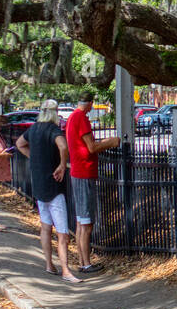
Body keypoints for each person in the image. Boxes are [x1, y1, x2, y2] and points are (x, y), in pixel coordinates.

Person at [14, 100, 80, 282]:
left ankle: (49, 264)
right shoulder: (52, 129)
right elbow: (64, 146)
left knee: (45, 227)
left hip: (39, 186)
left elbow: (20, 144)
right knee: (62, 232)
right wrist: (61, 164)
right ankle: (66, 270)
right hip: (54, 185)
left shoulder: (33, 129)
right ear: (54, 112)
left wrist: (34, 158)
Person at [64, 92, 118, 275]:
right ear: (90, 103)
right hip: (84, 172)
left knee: (81, 221)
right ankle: (86, 263)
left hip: (78, 172)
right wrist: (111, 142)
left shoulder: (72, 117)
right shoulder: (81, 118)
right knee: (87, 222)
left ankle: (82, 261)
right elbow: (92, 147)